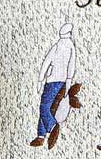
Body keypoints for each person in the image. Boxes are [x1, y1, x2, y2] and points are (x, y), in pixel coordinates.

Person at [30, 15, 80, 149]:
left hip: (53, 81)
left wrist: (41, 79)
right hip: (61, 82)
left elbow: (47, 62)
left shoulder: (60, 46)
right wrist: (68, 82)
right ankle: (41, 136)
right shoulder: (69, 46)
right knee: (47, 107)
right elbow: (70, 66)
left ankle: (51, 127)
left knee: (44, 107)